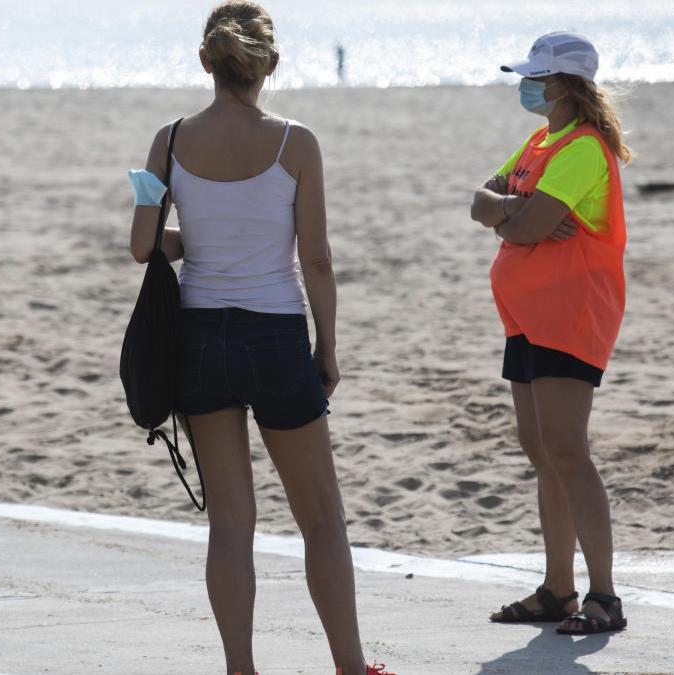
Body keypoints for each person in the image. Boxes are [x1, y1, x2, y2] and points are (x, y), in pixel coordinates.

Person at [128, 3, 392, 674]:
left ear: (204, 61)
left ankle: (240, 669)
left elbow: (142, 245)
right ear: (270, 64)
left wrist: (203, 238)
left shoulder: (171, 137)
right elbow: (318, 258)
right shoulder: (294, 141)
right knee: (322, 521)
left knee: (231, 524)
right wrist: (327, 347)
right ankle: (350, 667)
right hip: (275, 332)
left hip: (198, 334)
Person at [469, 32, 630, 635]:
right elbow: (480, 202)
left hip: (571, 313)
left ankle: (604, 597)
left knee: (566, 449)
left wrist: (513, 211)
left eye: (537, 77)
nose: (527, 85)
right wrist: (512, 208)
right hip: (528, 316)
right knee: (542, 451)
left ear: (564, 85)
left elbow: (518, 225)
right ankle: (558, 590)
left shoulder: (585, 148)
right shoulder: (542, 138)